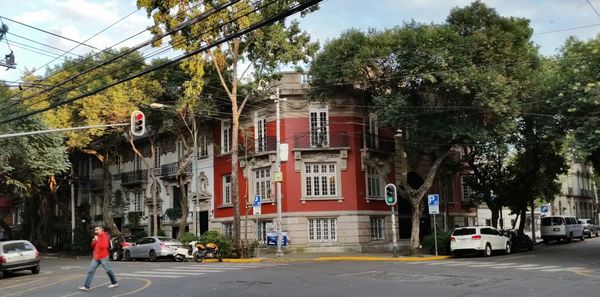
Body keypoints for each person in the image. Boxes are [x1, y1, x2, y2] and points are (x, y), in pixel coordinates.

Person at [78, 226, 119, 291]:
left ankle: (114, 282)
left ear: (101, 230)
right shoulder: (97, 237)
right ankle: (86, 286)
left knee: (108, 270)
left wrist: (97, 240)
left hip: (104, 256)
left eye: (96, 230)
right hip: (96, 257)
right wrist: (94, 241)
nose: (95, 231)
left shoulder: (105, 236)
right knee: (91, 271)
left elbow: (104, 246)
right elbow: (92, 246)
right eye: (95, 230)